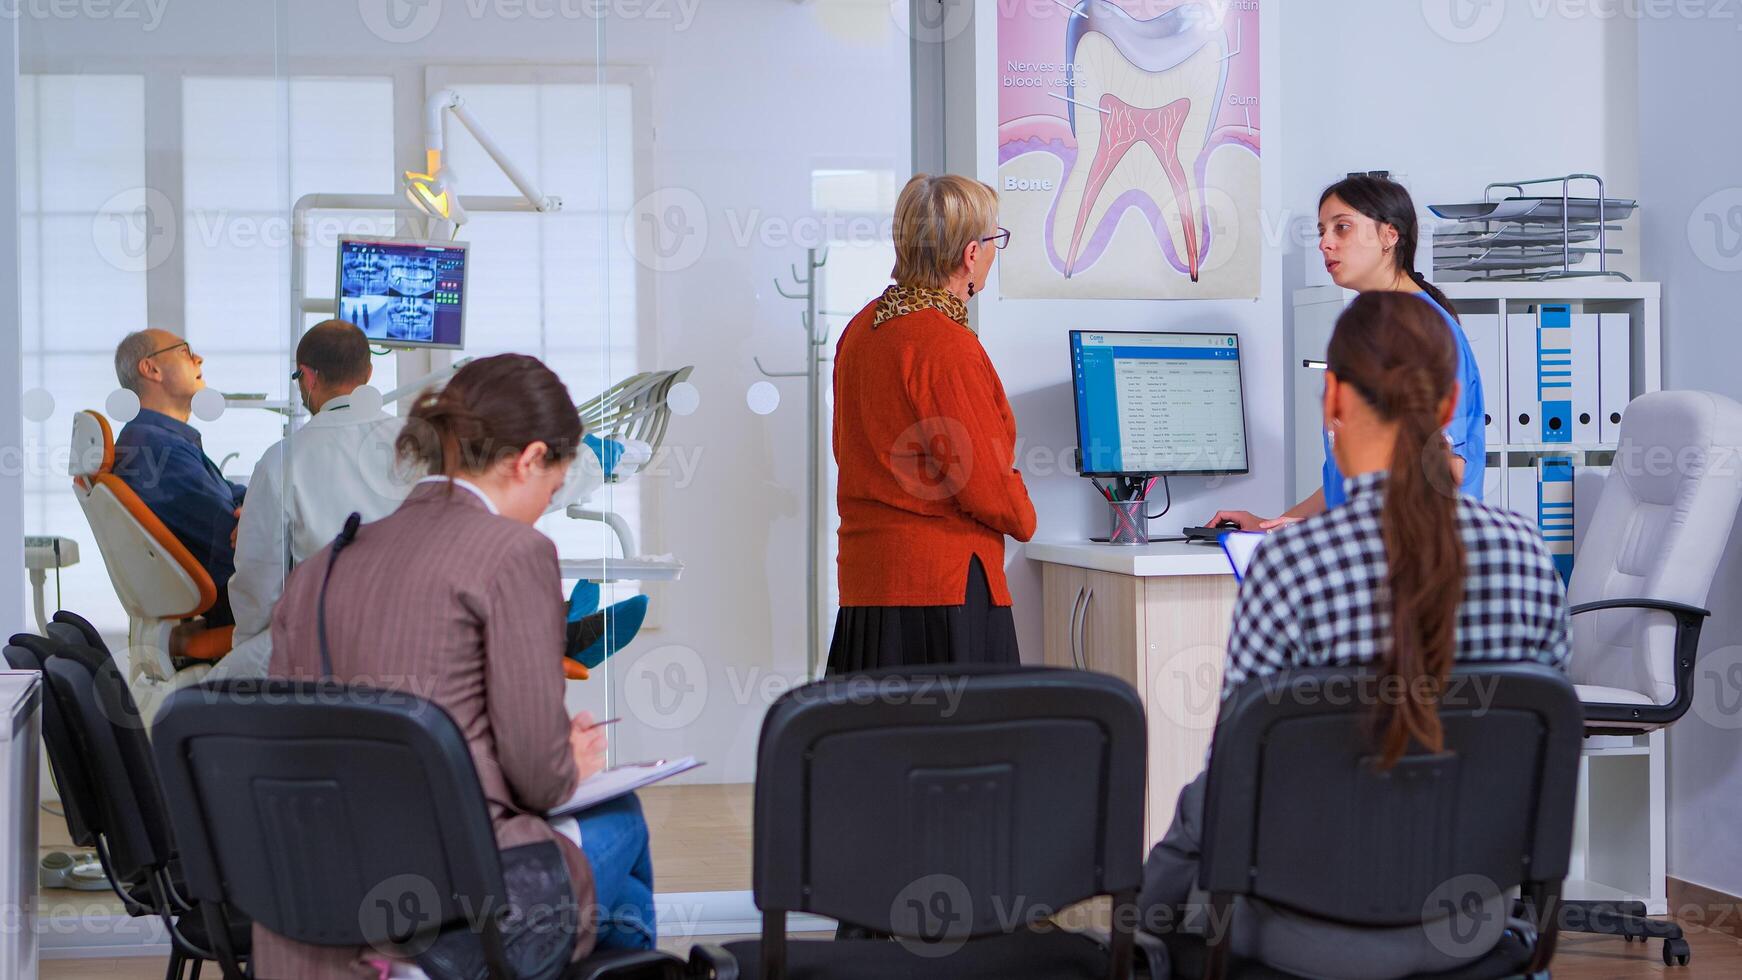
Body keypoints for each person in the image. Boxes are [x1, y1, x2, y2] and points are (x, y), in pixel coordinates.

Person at [1139, 292, 1569, 978]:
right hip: (1475, 926)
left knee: (1185, 849)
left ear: (1332, 399)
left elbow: (1235, 776)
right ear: (1453, 405)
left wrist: (1150, 907)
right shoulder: (1527, 554)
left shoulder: (1291, 565)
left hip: (1307, 931)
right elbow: (1543, 763)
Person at [259, 354, 655, 977]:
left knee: (622, 906)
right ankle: (435, 963)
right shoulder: (513, 553)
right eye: (552, 487)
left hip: (318, 891)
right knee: (621, 819)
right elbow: (540, 779)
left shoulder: (318, 570)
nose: (545, 504)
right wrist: (568, 760)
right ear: (528, 460)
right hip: (449, 883)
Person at [828, 173, 1037, 673]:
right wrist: (1024, 516)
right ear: (970, 254)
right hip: (942, 594)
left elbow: (848, 450)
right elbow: (983, 481)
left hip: (868, 593)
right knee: (961, 748)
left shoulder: (861, 329)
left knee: (879, 747)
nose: (994, 252)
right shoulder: (945, 345)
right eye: (994, 241)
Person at [1211, 174, 1486, 531]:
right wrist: (1276, 523)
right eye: (1322, 231)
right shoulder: (1365, 325)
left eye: (1342, 228)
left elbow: (1448, 469)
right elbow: (1350, 476)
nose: (1325, 243)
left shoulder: (1424, 332)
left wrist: (1327, 535)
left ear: (1390, 235)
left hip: (1419, 558)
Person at [219, 320, 413, 680]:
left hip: (325, 645)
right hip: (416, 638)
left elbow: (259, 578)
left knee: (202, 698)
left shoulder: (282, 460)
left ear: (307, 377)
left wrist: (249, 644)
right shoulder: (418, 445)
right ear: (368, 373)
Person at [111, 329, 247, 625]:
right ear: (151, 369)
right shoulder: (158, 449)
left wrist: (255, 505)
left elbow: (228, 494)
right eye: (185, 351)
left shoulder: (155, 440)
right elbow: (233, 541)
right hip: (239, 605)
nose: (199, 358)